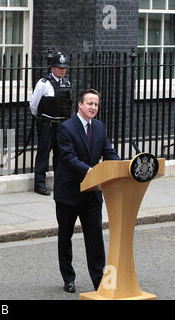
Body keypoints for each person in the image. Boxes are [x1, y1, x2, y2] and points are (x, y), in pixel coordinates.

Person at [54, 88, 120, 293]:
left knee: (95, 238)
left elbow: (108, 152)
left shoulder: (99, 127)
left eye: (96, 104)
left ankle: (99, 281)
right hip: (69, 192)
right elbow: (68, 157)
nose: (93, 107)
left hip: (92, 192)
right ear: (80, 105)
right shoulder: (66, 128)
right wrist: (91, 171)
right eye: (90, 103)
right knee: (65, 237)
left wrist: (121, 169)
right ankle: (68, 278)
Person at [29, 52, 72, 196]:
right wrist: (40, 118)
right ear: (52, 68)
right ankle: (39, 184)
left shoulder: (67, 83)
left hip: (62, 124)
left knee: (60, 155)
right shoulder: (44, 83)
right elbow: (34, 105)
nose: (62, 70)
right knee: (43, 154)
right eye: (59, 67)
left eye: (64, 67)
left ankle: (60, 183)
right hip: (48, 124)